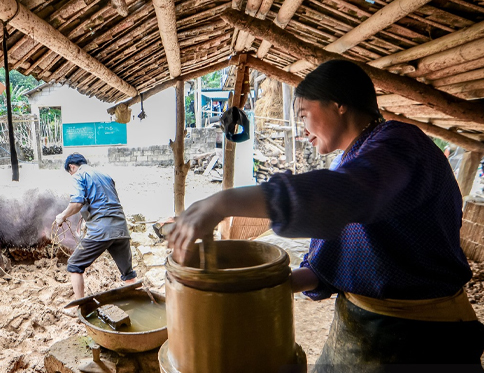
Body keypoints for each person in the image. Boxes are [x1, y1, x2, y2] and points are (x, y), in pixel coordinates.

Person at [168, 60, 484, 369]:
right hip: (359, 327)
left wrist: (224, 203)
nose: (303, 131)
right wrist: (261, 286)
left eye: (304, 114)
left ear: (338, 104)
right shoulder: (351, 160)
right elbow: (332, 263)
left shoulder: (400, 144)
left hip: (421, 341)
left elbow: (346, 194)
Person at [55, 153, 137, 299]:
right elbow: (104, 200)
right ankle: (138, 301)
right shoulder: (105, 175)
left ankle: (79, 305)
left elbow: (76, 204)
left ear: (71, 167)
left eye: (70, 172)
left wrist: (62, 216)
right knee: (128, 273)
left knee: (74, 265)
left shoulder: (79, 175)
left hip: (101, 230)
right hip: (121, 228)